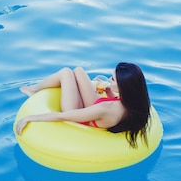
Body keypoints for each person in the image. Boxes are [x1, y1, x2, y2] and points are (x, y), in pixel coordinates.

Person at [15, 62, 151, 148]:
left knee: (66, 73)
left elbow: (63, 116)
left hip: (84, 115)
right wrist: (109, 91)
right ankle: (33, 89)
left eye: (112, 79)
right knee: (78, 70)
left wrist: (30, 117)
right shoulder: (131, 102)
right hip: (98, 113)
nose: (109, 80)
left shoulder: (106, 108)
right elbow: (114, 107)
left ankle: (33, 90)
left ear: (123, 86)